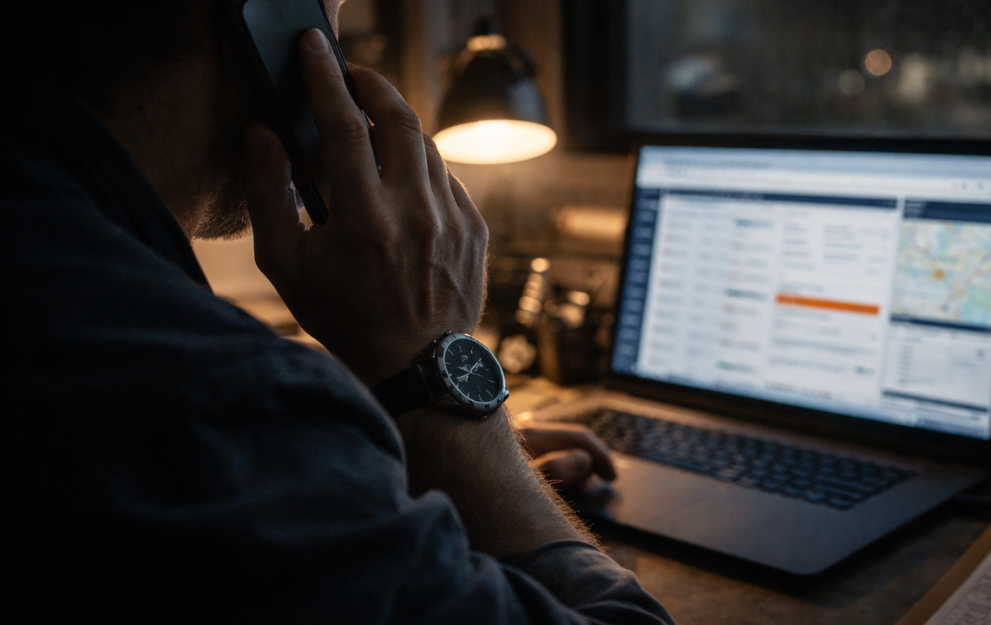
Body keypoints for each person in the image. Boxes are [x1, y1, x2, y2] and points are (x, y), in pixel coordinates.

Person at [1, 1, 672, 622]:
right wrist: (433, 375)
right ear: (262, 20)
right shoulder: (208, 399)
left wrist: (386, 461)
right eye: (331, 18)